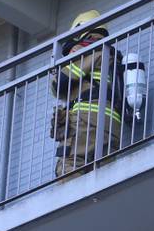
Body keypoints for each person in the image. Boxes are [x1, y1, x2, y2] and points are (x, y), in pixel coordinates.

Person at [49, 10, 126, 178]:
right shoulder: (112, 57)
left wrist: (69, 59)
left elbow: (59, 85)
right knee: (103, 176)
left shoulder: (88, 52)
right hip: (112, 128)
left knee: (69, 168)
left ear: (81, 31)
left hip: (86, 121)